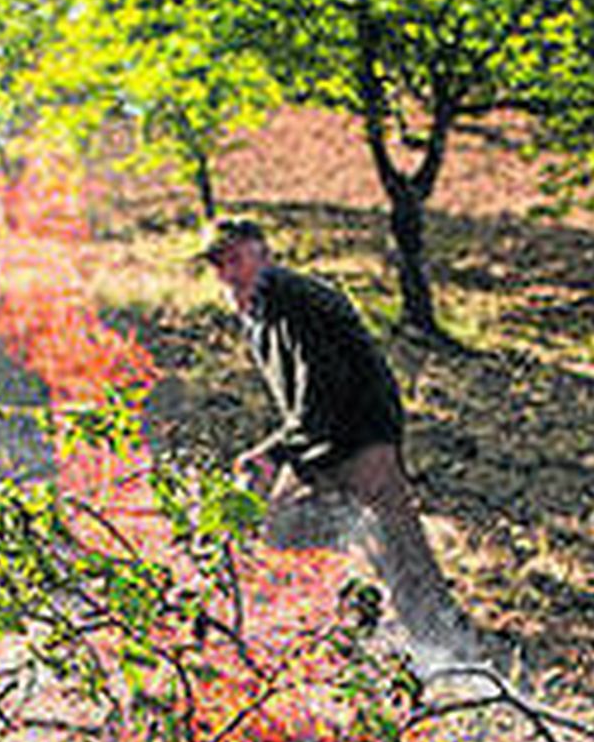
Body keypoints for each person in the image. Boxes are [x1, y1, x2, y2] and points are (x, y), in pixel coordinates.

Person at [201, 218, 481, 665]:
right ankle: (375, 599)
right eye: (218, 262)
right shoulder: (259, 311)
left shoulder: (293, 302)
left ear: (263, 254)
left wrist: (277, 451)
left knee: (392, 537)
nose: (227, 272)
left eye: (236, 258)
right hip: (322, 439)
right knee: (282, 525)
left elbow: (323, 392)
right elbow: (307, 405)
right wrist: (279, 449)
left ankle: (452, 652)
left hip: (359, 434)